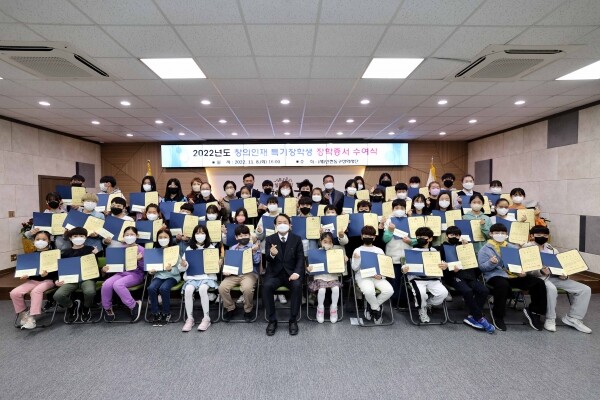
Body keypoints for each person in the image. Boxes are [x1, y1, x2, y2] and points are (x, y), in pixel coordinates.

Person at [477, 223, 547, 331]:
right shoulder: (485, 249)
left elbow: (521, 263)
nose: (500, 235)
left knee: (538, 283)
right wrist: (491, 262)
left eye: (503, 233)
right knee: (502, 285)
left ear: (507, 235)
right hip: (495, 275)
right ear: (491, 234)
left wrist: (522, 271)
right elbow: (482, 268)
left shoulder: (513, 248)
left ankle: (534, 312)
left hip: (514, 275)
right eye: (497, 233)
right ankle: (498, 315)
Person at [523, 226, 591, 333]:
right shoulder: (526, 248)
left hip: (555, 277)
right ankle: (550, 319)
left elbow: (561, 265)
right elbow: (527, 270)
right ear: (532, 236)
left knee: (585, 289)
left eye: (545, 235)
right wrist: (541, 271)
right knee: (551, 289)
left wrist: (564, 274)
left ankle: (574, 318)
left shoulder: (552, 249)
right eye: (539, 235)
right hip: (539, 279)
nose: (542, 237)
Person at [439, 226, 494, 333]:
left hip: (469, 275)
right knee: (467, 291)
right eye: (451, 235)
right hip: (453, 276)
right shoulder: (441, 248)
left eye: (457, 235)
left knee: (484, 290)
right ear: (446, 236)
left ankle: (472, 316)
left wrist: (468, 248)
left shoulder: (465, 247)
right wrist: (450, 268)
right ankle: (479, 317)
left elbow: (473, 264)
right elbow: (441, 266)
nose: (454, 237)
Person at [263, 214, 304, 336]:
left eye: (285, 222)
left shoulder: (297, 239)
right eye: (279, 222)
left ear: (290, 225)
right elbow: (267, 259)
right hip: (274, 275)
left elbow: (300, 258)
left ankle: (293, 320)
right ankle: (272, 320)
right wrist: (272, 254)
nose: (282, 224)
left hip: (291, 274)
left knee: (297, 286)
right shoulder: (270, 239)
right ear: (275, 225)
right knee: (266, 286)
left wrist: (296, 273)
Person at [10, 231, 57, 330]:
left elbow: (58, 272)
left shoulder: (54, 254)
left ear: (49, 241)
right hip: (34, 281)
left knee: (36, 291)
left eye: (44, 239)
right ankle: (24, 314)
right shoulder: (31, 256)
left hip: (48, 281)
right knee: (14, 293)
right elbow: (31, 274)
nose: (40, 241)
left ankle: (32, 318)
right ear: (34, 241)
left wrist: (47, 274)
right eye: (38, 239)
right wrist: (26, 276)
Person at [402, 227, 449, 323]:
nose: (421, 239)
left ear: (430, 239)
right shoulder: (412, 251)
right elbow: (405, 266)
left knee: (443, 293)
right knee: (421, 294)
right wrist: (404, 269)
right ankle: (422, 310)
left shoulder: (434, 251)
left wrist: (444, 266)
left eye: (423, 237)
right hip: (417, 279)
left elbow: (440, 265)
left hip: (433, 279)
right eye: (418, 237)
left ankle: (426, 305)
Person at [180, 225, 221, 332]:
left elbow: (215, 268)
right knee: (188, 290)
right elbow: (183, 267)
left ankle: (206, 318)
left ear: (206, 235)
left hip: (207, 277)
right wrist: (183, 264)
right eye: (197, 233)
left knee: (203, 289)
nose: (200, 235)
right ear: (194, 235)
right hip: (192, 277)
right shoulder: (189, 249)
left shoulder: (211, 248)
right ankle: (190, 319)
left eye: (202, 233)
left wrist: (218, 264)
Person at [53, 227, 99, 323]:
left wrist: (95, 255)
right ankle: (71, 306)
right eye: (75, 236)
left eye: (81, 236)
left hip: (87, 278)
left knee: (90, 292)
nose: (78, 238)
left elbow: (95, 267)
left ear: (85, 237)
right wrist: (56, 280)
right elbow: (61, 269)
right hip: (71, 280)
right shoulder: (65, 253)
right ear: (70, 238)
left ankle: (86, 307)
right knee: (58, 295)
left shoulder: (90, 249)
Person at [100, 226, 144, 322]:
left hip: (135, 274)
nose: (129, 237)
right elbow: (113, 265)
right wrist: (105, 269)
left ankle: (133, 305)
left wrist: (139, 260)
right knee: (106, 284)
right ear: (123, 237)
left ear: (137, 236)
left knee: (118, 285)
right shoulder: (119, 249)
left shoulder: (141, 249)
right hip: (120, 273)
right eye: (127, 235)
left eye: (132, 234)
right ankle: (107, 308)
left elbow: (145, 268)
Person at [351, 225, 394, 324]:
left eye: (370, 236)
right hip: (363, 277)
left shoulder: (379, 250)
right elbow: (354, 268)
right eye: (365, 235)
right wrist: (356, 259)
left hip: (377, 277)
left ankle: (371, 306)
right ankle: (377, 309)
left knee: (389, 290)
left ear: (374, 237)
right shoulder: (357, 250)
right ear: (361, 236)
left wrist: (382, 276)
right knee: (369, 291)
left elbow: (384, 267)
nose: (368, 237)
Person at [219, 225, 261, 322]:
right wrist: (226, 270)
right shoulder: (233, 248)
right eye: (241, 236)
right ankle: (231, 308)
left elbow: (257, 262)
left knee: (247, 288)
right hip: (234, 274)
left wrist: (254, 252)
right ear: (236, 237)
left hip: (249, 274)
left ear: (249, 235)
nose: (243, 237)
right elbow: (229, 264)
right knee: (222, 287)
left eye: (245, 235)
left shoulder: (254, 247)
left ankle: (248, 310)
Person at [307, 232, 346, 323]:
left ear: (332, 243)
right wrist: (308, 268)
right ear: (320, 242)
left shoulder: (335, 253)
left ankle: (334, 309)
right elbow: (310, 268)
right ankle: (320, 309)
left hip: (332, 277)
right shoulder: (315, 253)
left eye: (330, 241)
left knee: (336, 289)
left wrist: (344, 261)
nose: (327, 243)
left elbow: (341, 267)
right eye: (325, 241)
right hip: (320, 277)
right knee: (322, 290)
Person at [382, 199, 413, 306]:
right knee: (395, 279)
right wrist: (390, 231)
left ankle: (406, 299)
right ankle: (395, 300)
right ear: (392, 209)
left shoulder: (411, 220)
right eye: (396, 208)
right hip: (393, 254)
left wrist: (411, 241)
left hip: (408, 254)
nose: (399, 210)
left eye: (402, 208)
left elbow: (417, 239)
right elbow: (385, 239)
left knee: (407, 279)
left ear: (405, 209)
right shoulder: (388, 221)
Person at [147, 228, 181, 326]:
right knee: (151, 288)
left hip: (172, 276)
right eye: (160, 237)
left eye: (165, 237)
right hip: (159, 276)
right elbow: (151, 268)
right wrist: (151, 271)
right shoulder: (154, 251)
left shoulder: (174, 251)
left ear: (169, 238)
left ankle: (166, 312)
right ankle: (155, 312)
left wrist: (171, 270)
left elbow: (179, 269)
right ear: (157, 239)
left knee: (164, 288)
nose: (162, 239)